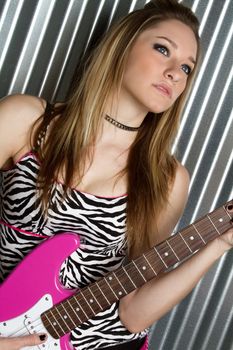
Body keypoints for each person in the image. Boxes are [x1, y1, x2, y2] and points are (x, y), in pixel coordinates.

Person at [0, 0, 232, 349]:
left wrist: (219, 244)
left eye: (186, 68)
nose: (174, 72)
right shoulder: (27, 122)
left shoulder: (166, 180)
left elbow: (133, 309)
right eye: (162, 49)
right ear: (121, 46)